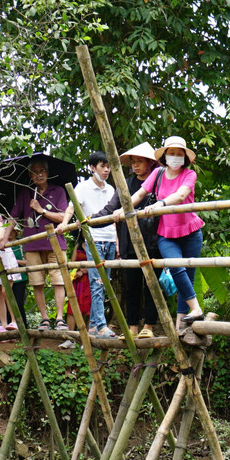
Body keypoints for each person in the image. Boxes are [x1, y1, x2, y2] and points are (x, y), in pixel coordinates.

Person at [90, 143, 162, 338]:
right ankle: (132, 328)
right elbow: (111, 207)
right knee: (131, 287)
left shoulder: (158, 182)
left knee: (152, 286)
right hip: (129, 242)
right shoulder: (126, 184)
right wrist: (91, 221)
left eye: (140, 161)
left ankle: (149, 326)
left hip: (154, 241)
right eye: (134, 162)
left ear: (150, 163)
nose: (136, 165)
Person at [139, 136, 205, 333]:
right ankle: (196, 309)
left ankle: (180, 329)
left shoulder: (189, 174)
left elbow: (181, 195)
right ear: (165, 156)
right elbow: (140, 194)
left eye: (179, 154)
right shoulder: (158, 173)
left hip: (191, 232)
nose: (175, 157)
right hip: (166, 233)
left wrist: (161, 203)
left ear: (184, 157)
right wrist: (121, 209)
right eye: (171, 153)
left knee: (188, 278)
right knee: (176, 268)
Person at [9, 155, 70, 332]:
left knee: (58, 280)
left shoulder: (58, 191)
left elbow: (62, 217)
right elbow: (13, 217)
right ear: (30, 175)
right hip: (32, 245)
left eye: (42, 171)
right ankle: (44, 319)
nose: (39, 175)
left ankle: (59, 319)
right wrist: (4, 239)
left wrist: (40, 210)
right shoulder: (25, 193)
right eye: (34, 172)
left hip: (54, 244)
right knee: (37, 282)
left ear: (48, 172)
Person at [70, 151, 119, 338]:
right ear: (92, 168)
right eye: (102, 166)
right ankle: (100, 326)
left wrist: (117, 243)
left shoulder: (112, 190)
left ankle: (94, 325)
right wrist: (64, 224)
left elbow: (115, 218)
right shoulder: (82, 188)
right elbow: (71, 208)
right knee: (97, 283)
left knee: (104, 283)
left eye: (108, 166)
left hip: (109, 238)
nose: (106, 170)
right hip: (93, 239)